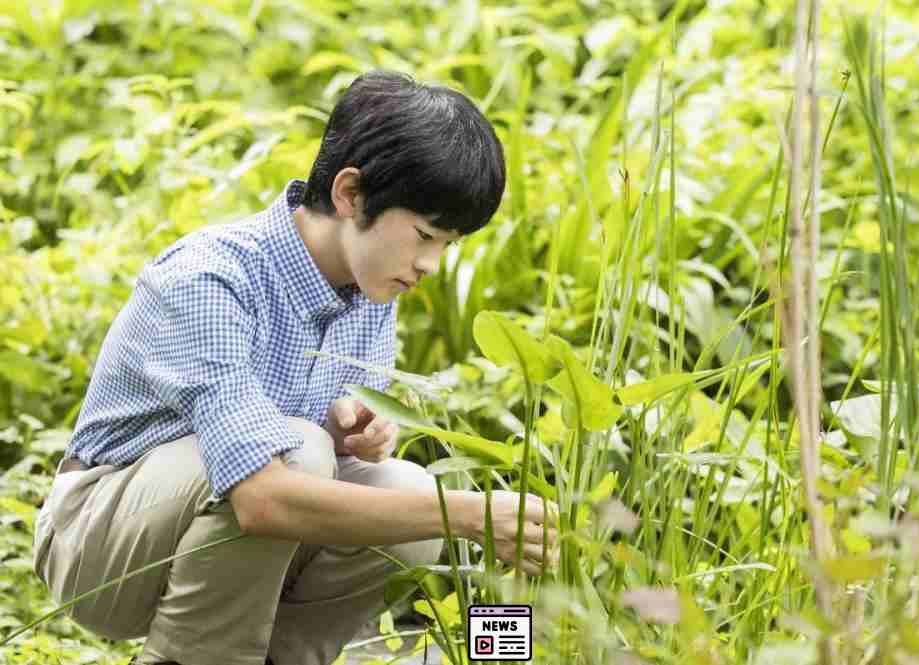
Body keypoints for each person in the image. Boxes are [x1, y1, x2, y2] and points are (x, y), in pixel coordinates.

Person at [32, 70, 559, 665]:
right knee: (301, 453)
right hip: (97, 543)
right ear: (350, 194)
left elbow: (310, 467)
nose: (431, 264)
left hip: (227, 539)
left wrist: (351, 440)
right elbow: (261, 499)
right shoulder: (210, 279)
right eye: (424, 235)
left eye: (449, 244)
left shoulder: (370, 289)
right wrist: (468, 515)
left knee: (407, 491)